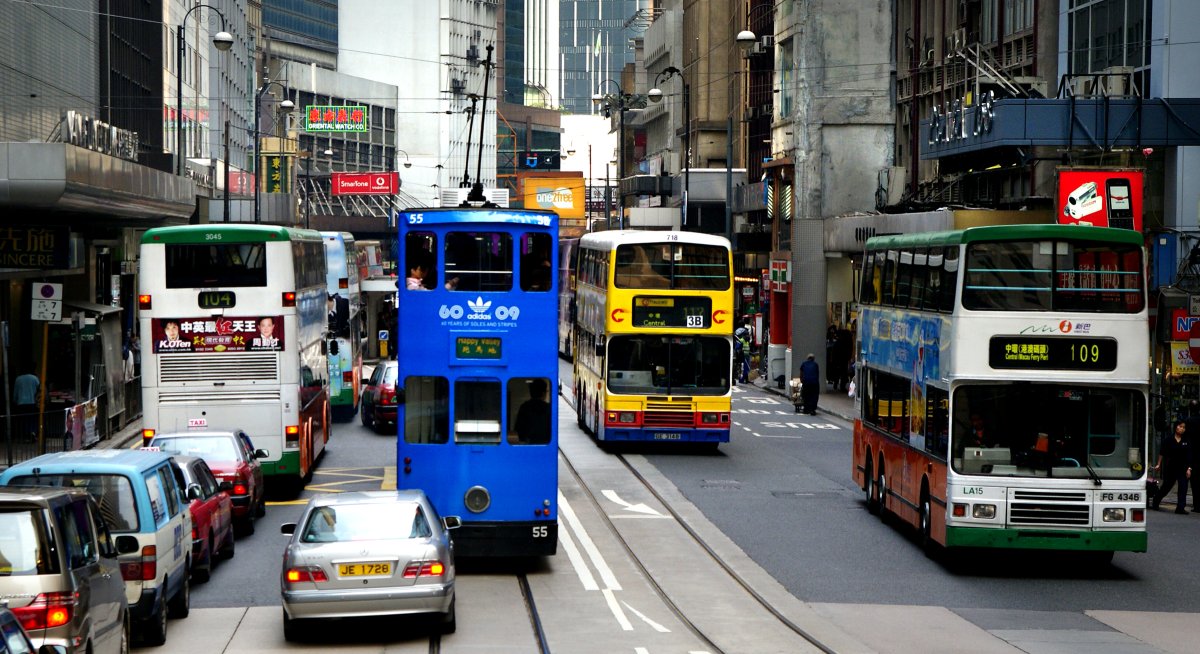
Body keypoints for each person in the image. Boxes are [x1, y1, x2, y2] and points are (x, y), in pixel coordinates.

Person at [1152, 419, 1192, 513]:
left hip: (1183, 467)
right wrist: (1158, 464)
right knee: (1166, 486)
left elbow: (1189, 455)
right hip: (1171, 467)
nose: (1182, 429)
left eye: (1183, 427)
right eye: (1180, 426)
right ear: (1176, 427)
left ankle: (1180, 508)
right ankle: (1156, 501)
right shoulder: (1168, 440)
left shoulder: (1186, 441)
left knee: (1183, 487)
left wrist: (1189, 468)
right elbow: (1162, 453)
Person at [514, 379, 552, 444]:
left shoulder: (524, 407)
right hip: (545, 444)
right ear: (543, 393)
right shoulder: (548, 408)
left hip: (528, 444)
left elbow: (518, 428)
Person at [13, 369, 40, 440]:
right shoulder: (34, 378)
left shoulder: (18, 379)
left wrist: (14, 400)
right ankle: (32, 433)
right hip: (32, 402)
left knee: (23, 420)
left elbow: (15, 392)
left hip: (21, 403)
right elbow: (39, 389)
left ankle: (25, 436)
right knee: (32, 419)